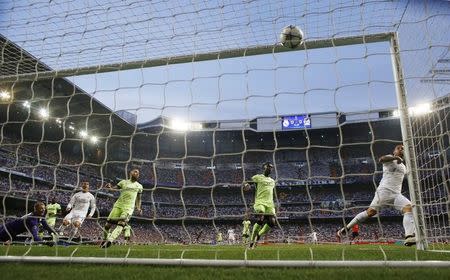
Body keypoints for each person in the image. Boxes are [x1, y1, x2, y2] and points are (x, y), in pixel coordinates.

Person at [337, 144, 416, 246]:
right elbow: (381, 159)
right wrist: (396, 157)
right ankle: (346, 228)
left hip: (396, 194)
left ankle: (409, 237)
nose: (401, 149)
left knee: (409, 208)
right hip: (384, 192)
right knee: (370, 213)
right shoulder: (390, 159)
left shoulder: (403, 167)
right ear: (394, 151)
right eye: (398, 148)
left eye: (403, 149)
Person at [101, 169, 143, 248]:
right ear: (130, 173)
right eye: (135, 172)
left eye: (138, 173)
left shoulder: (139, 186)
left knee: (121, 224)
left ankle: (110, 240)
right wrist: (109, 187)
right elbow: (114, 189)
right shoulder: (123, 182)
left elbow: (139, 199)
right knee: (107, 225)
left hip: (129, 208)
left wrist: (138, 208)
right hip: (118, 206)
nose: (137, 173)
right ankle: (104, 239)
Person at [244, 162, 276, 249]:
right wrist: (246, 186)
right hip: (260, 202)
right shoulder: (257, 177)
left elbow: (271, 192)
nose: (270, 168)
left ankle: (258, 235)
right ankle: (251, 240)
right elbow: (247, 182)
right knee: (261, 217)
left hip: (270, 204)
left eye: (271, 167)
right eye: (268, 167)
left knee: (272, 222)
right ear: (264, 168)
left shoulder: (272, 181)